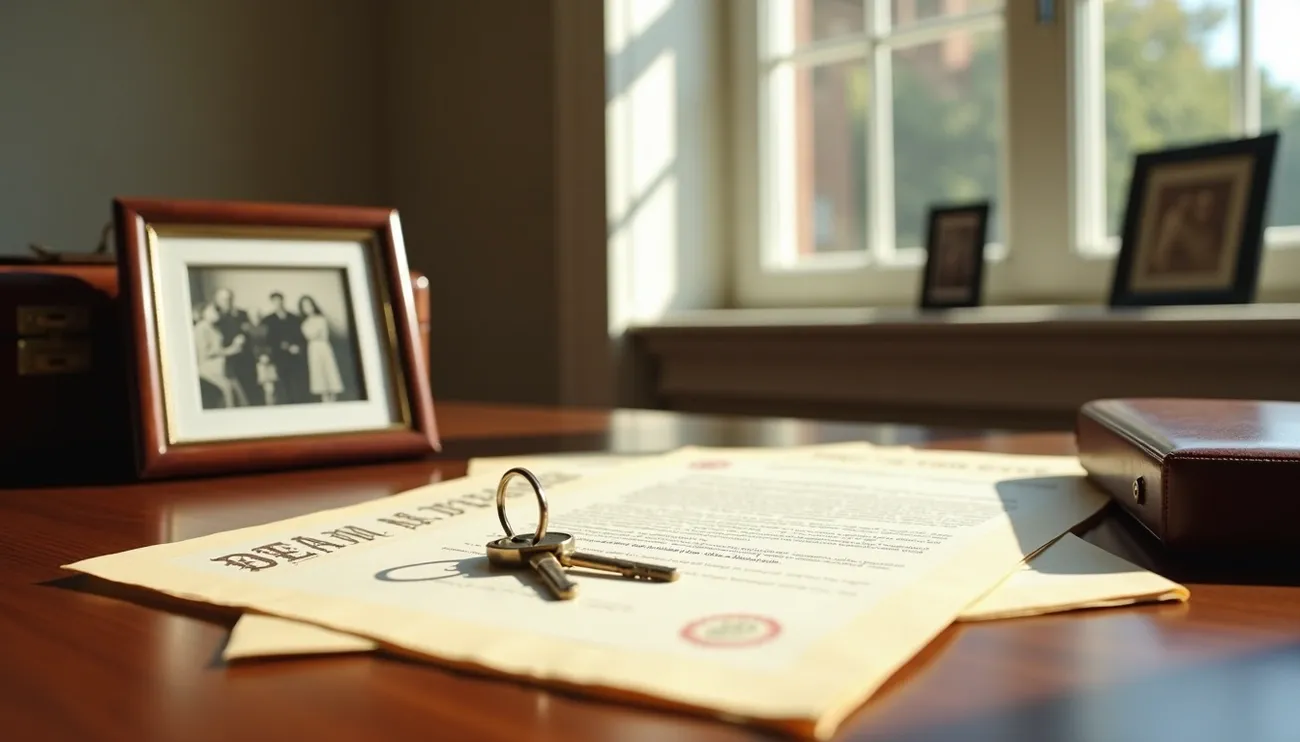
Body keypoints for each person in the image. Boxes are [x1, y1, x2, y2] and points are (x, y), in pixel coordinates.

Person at [193, 302, 248, 408]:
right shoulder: (201, 328)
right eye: (212, 310)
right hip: (207, 368)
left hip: (221, 367)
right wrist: (230, 350)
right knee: (228, 390)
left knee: (240, 396)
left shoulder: (215, 327)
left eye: (216, 310)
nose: (216, 313)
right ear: (204, 313)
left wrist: (235, 344)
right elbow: (206, 352)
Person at [213, 288, 259, 404]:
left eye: (229, 298)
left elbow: (252, 334)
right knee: (239, 396)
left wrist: (247, 333)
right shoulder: (216, 319)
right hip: (231, 361)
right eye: (224, 299)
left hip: (248, 358)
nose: (227, 301)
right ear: (218, 301)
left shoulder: (242, 314)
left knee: (253, 390)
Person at [262, 291, 309, 404]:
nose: (278, 304)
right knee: (283, 384)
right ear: (272, 303)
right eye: (275, 302)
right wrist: (280, 346)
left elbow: (301, 336)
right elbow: (268, 340)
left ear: (283, 301)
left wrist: (297, 347)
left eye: (280, 301)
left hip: (295, 356)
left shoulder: (294, 318)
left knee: (297, 382)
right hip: (279, 357)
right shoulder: (268, 320)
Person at [299, 295, 345, 402]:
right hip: (313, 349)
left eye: (309, 305)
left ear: (313, 305)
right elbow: (310, 336)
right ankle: (324, 399)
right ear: (302, 309)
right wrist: (316, 334)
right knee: (318, 373)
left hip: (324, 346)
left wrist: (316, 334)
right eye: (304, 306)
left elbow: (324, 335)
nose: (308, 308)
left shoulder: (322, 319)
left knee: (329, 370)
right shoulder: (305, 323)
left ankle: (333, 398)